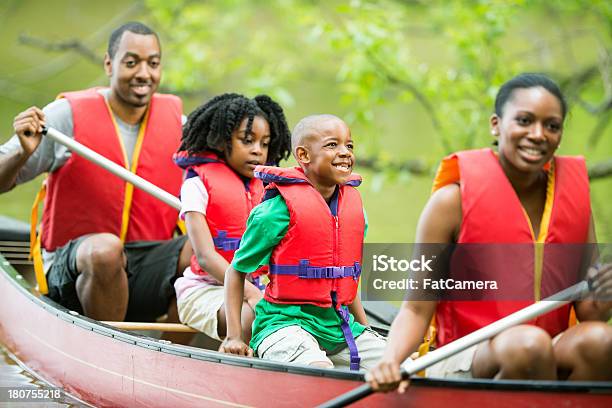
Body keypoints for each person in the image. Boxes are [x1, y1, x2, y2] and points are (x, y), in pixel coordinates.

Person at [367, 73, 612, 392]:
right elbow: (415, 308)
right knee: (528, 345)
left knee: (601, 341)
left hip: (542, 346)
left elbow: (591, 313)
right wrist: (392, 360)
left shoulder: (572, 201)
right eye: (524, 121)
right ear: (496, 124)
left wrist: (605, 293)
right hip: (463, 351)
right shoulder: (451, 201)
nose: (538, 134)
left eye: (552, 126)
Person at [0, 22, 191, 325]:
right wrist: (22, 152)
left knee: (207, 247)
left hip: (143, 267)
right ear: (108, 64)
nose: (144, 73)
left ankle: (172, 350)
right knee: (106, 251)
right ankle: (111, 350)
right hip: (76, 267)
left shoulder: (180, 128)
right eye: (131, 63)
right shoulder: (64, 117)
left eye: (153, 64)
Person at [219, 114, 386, 371]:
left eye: (349, 146)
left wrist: (364, 328)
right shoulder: (275, 212)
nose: (344, 153)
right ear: (304, 155)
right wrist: (233, 336)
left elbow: (346, 280)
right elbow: (236, 270)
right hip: (284, 325)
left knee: (403, 366)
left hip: (339, 328)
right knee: (318, 371)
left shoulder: (354, 211)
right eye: (332, 145)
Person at [172, 93, 292, 342]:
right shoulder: (196, 184)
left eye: (265, 143)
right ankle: (230, 361)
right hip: (203, 289)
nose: (257, 151)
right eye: (247, 141)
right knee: (252, 315)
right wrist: (249, 293)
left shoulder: (268, 189)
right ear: (223, 140)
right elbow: (205, 257)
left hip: (257, 286)